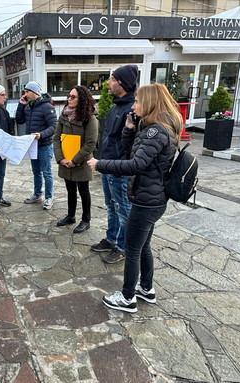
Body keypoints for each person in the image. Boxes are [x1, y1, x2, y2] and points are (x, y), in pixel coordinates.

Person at [88, 83, 181, 312]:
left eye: (138, 101)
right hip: (152, 197)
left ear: (149, 103)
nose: (134, 105)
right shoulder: (155, 128)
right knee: (143, 247)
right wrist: (129, 129)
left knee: (131, 249)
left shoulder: (156, 131)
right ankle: (146, 289)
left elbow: (135, 165)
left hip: (145, 200)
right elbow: (136, 154)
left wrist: (101, 164)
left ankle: (128, 297)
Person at [90, 65, 138, 264]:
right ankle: (111, 239)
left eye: (111, 79)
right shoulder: (114, 107)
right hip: (106, 166)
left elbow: (131, 143)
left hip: (119, 169)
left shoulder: (132, 110)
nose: (107, 83)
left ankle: (122, 247)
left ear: (122, 82)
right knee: (111, 206)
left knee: (123, 208)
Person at [53, 86, 98, 234]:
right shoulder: (64, 115)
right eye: (68, 96)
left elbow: (90, 143)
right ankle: (71, 216)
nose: (69, 99)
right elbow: (56, 138)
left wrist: (75, 160)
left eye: (73, 97)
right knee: (70, 190)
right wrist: (61, 159)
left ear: (82, 99)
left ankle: (86, 220)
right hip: (66, 161)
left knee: (83, 191)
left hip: (81, 162)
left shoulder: (90, 118)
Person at [16, 81, 57, 210]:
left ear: (34, 93)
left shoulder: (47, 107)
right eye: (25, 91)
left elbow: (54, 127)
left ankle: (49, 197)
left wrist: (41, 134)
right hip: (32, 146)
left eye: (27, 91)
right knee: (36, 172)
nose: (25, 94)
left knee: (46, 172)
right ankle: (38, 194)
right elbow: (19, 120)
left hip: (44, 145)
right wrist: (21, 105)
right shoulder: (28, 107)